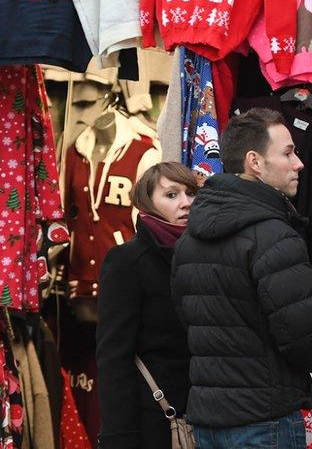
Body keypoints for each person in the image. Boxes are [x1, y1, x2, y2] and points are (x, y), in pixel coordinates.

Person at [171, 108, 312, 448]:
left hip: (209, 421)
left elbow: (188, 321)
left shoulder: (190, 236)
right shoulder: (273, 234)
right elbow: (306, 340)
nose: (299, 163)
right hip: (264, 420)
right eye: (288, 153)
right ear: (255, 162)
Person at [96, 162, 198, 448]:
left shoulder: (205, 256)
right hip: (152, 421)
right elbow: (113, 355)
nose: (185, 203)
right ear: (147, 203)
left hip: (205, 418)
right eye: (171, 195)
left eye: (191, 194)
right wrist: (119, 437)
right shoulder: (127, 261)